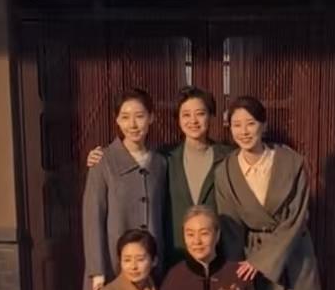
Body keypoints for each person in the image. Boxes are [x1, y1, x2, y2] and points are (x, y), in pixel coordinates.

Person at [210, 96, 324, 290]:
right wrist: (239, 270)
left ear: (263, 125)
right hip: (251, 258)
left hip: (294, 255)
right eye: (236, 124)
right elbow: (230, 226)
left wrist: (262, 260)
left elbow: (296, 217)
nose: (244, 131)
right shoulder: (225, 172)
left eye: (250, 123)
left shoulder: (292, 162)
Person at [86, 86, 234, 267]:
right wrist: (101, 156)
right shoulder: (165, 157)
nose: (193, 121)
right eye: (186, 115)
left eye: (200, 114)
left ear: (211, 115)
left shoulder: (229, 157)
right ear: (178, 119)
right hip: (175, 257)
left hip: (217, 254)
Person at [82, 88, 169, 290]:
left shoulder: (160, 163)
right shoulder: (103, 162)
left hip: (151, 269)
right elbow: (93, 220)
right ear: (117, 120)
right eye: (125, 117)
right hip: (113, 267)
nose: (133, 124)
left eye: (139, 116)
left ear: (151, 117)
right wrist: (97, 273)